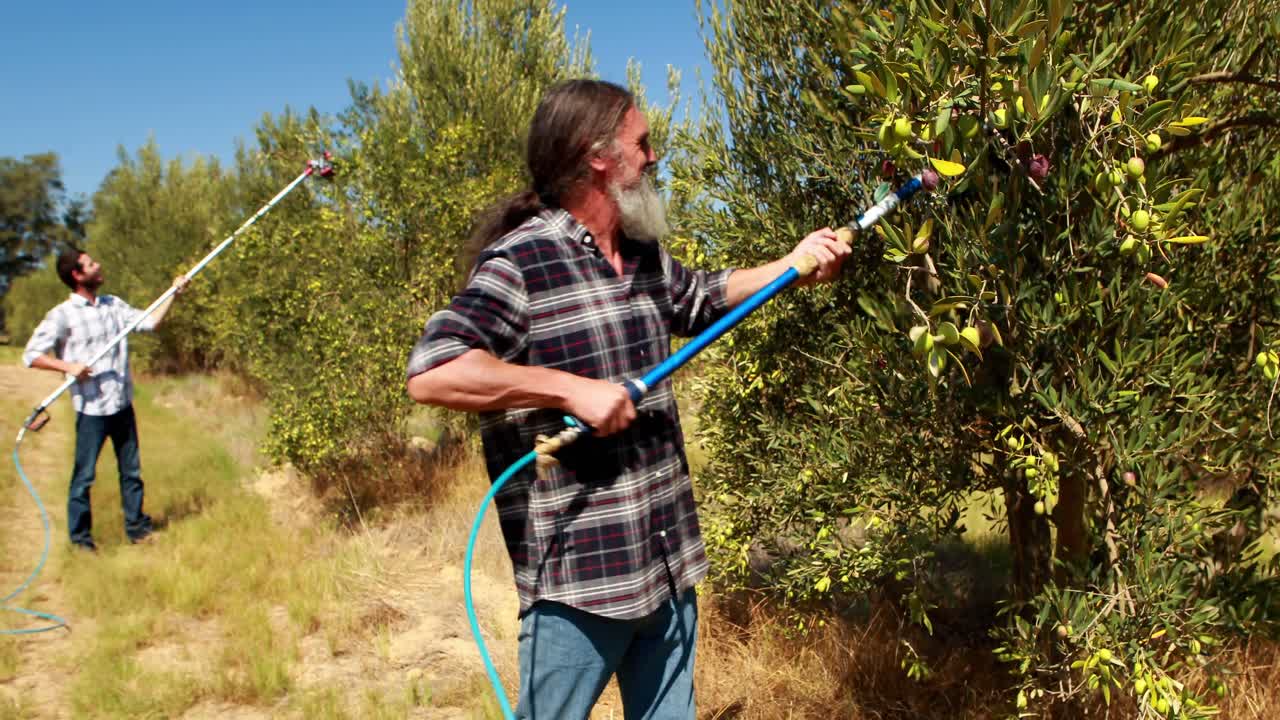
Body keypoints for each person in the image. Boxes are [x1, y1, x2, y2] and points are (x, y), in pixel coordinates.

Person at [405, 79, 851, 719]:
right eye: (642, 144)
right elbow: (434, 370)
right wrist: (569, 388)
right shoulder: (522, 262)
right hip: (578, 588)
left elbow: (703, 297)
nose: (653, 157)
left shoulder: (642, 255)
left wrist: (794, 264)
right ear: (597, 157)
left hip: (666, 563)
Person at [22, 247, 188, 552]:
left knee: (131, 472)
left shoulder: (113, 305)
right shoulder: (62, 315)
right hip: (91, 410)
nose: (98, 266)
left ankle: (137, 529)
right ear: (77, 275)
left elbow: (150, 322)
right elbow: (31, 355)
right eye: (90, 264)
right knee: (84, 478)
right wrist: (68, 366)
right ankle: (81, 541)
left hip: (121, 404)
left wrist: (173, 294)